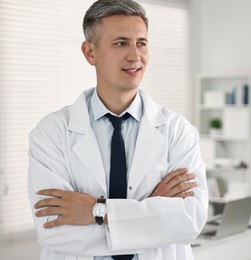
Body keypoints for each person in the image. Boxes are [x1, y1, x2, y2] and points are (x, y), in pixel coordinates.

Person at [27, 0, 208, 259]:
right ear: (90, 52)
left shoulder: (178, 131)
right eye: (121, 43)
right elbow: (54, 229)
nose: (135, 56)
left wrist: (97, 211)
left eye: (141, 43)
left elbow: (190, 220)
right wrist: (150, 213)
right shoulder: (51, 132)